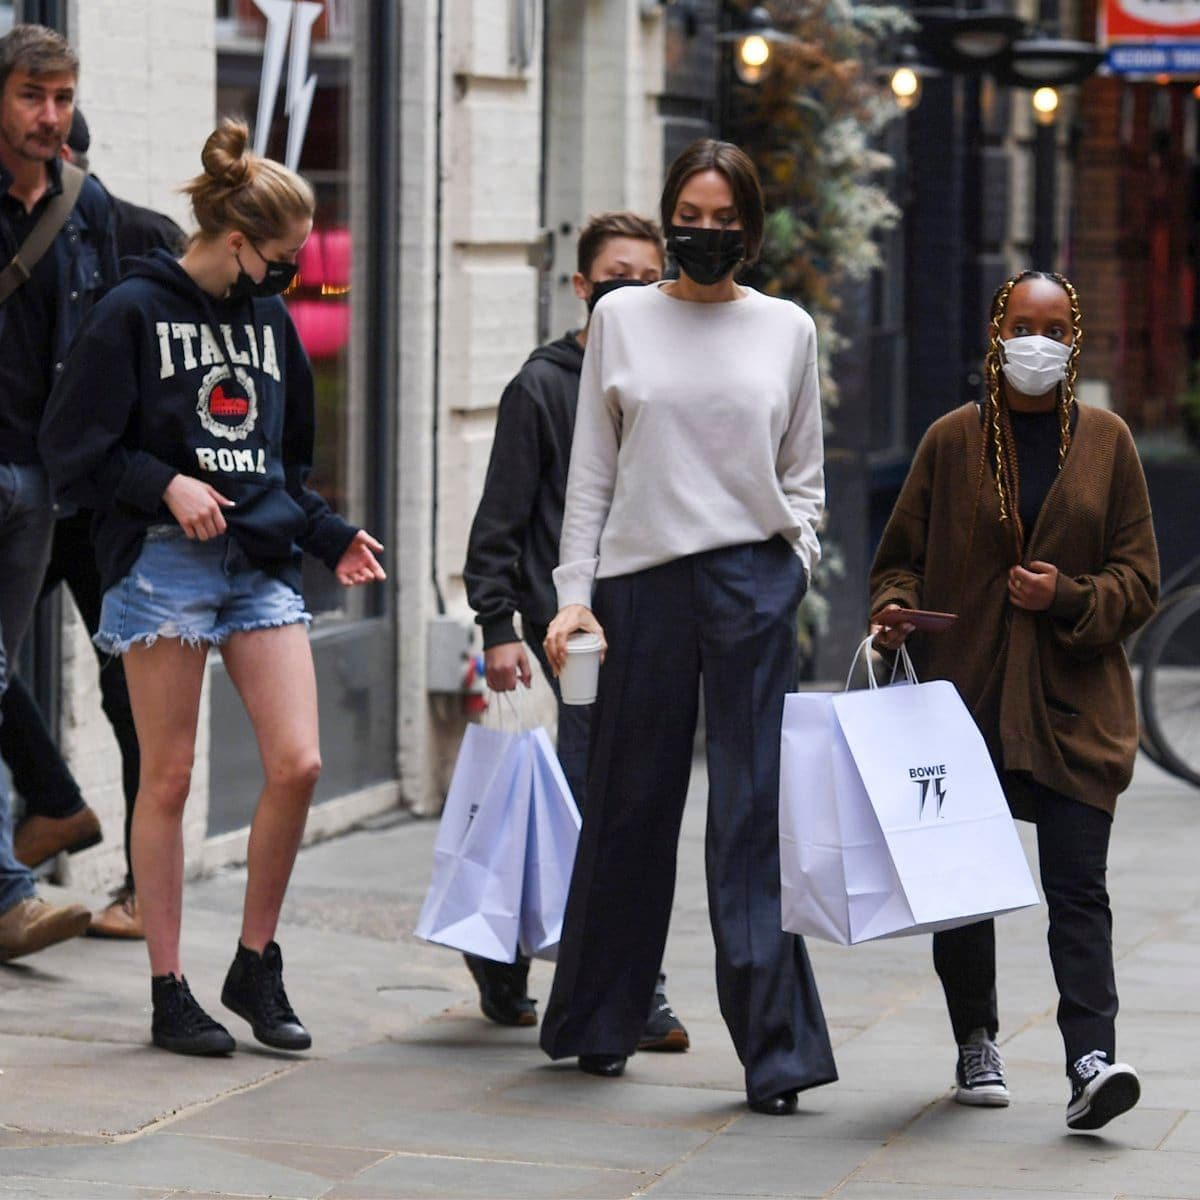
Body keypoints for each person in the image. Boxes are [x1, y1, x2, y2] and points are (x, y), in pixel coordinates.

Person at [39, 118, 385, 1056]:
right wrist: (165, 482)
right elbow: (72, 451)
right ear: (236, 240)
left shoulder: (271, 325)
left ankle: (254, 962)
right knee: (171, 776)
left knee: (298, 763)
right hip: (161, 564)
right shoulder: (131, 313)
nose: (290, 273)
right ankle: (168, 985)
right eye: (281, 256)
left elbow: (285, 464)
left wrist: (331, 533)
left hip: (257, 564)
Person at [538, 139, 838, 1114]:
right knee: (628, 805)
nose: (704, 234)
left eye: (723, 220)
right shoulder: (622, 316)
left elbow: (804, 478)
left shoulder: (787, 329)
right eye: (689, 217)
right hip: (639, 583)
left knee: (750, 817)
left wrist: (790, 564)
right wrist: (573, 591)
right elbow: (591, 470)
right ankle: (600, 1018)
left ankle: (777, 1054)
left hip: (753, 581)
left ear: (751, 229)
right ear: (669, 217)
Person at [869, 270, 1158, 1132]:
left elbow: (1138, 581)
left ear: (1075, 341)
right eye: (1024, 325)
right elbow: (899, 558)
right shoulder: (951, 441)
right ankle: (976, 1041)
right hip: (967, 705)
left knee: (1078, 890)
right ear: (996, 334)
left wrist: (1068, 597)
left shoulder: (1109, 442)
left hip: (1075, 711)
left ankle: (1091, 1061)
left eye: (1056, 328)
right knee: (963, 887)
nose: (1039, 342)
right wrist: (890, 611)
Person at [463, 211, 688, 1050]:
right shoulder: (544, 386)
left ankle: (526, 961)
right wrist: (497, 626)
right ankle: (633, 989)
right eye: (615, 276)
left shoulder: (669, 380)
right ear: (583, 287)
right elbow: (499, 523)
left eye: (648, 276)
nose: (632, 290)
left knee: (618, 806)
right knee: (598, 805)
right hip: (565, 632)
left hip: (653, 621)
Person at [8, 106, 187, 941]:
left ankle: (67, 816)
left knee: (132, 691)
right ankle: (57, 806)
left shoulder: (127, 230)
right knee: (122, 690)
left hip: (97, 497)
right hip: (76, 492)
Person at [0, 24, 118, 963]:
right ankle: (10, 889)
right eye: (33, 96)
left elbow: (117, 338)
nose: (50, 115)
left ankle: (44, 820)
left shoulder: (87, 208)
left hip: (44, 485)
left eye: (63, 97)